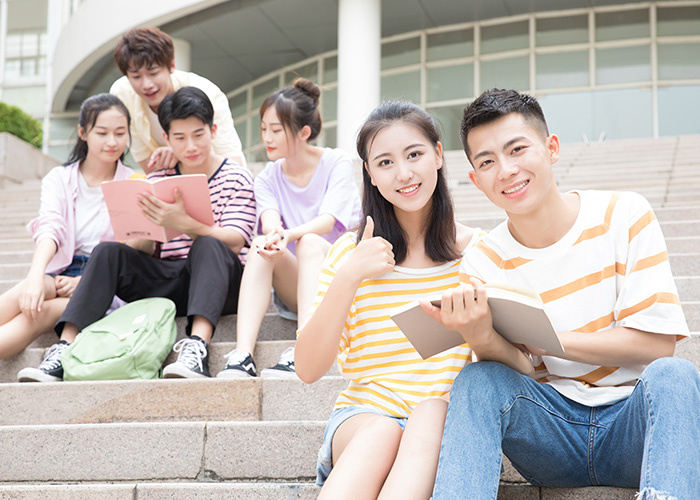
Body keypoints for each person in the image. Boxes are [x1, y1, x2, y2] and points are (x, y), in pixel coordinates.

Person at [427, 89, 700, 499]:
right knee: (477, 379)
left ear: (551, 148)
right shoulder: (483, 260)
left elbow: (658, 345)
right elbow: (515, 370)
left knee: (676, 377)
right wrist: (480, 336)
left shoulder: (622, 215)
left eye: (517, 149)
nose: (506, 170)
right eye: (487, 162)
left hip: (633, 427)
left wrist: (549, 341)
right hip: (550, 434)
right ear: (476, 180)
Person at [295, 100, 481, 500]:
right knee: (381, 431)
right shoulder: (350, 253)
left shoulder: (478, 252)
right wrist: (349, 275)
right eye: (385, 162)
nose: (404, 173)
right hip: (363, 420)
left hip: (442, 419)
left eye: (414, 154)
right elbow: (308, 369)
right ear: (370, 175)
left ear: (437, 154)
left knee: (429, 414)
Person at [18, 86, 256, 382]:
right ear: (166, 139)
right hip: (170, 279)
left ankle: (197, 348)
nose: (191, 146)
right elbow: (141, 248)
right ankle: (64, 348)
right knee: (108, 251)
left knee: (208, 244)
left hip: (220, 285)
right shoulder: (156, 179)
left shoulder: (236, 177)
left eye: (198, 135)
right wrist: (148, 226)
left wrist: (184, 222)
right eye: (180, 138)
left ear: (213, 130)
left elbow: (235, 241)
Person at [216, 78, 361, 379]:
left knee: (308, 241)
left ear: (304, 132)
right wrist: (273, 237)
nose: (266, 137)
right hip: (297, 281)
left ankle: (302, 350)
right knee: (260, 245)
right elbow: (270, 219)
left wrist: (289, 234)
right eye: (264, 128)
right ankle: (243, 354)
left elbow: (328, 221)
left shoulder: (337, 163)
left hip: (342, 279)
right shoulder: (267, 177)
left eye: (276, 130)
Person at [3, 94, 133, 368]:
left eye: (120, 133)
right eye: (102, 132)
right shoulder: (60, 179)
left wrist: (89, 280)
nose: (112, 142)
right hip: (62, 272)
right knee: (24, 292)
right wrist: (36, 277)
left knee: (38, 313)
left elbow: (137, 247)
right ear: (83, 132)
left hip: (107, 285)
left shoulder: (132, 182)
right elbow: (50, 228)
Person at [110, 27, 246, 174]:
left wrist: (180, 151)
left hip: (214, 178)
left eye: (153, 73)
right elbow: (148, 163)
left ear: (172, 65)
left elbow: (231, 159)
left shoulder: (207, 93)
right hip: (167, 181)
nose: (147, 85)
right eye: (136, 77)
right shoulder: (122, 95)